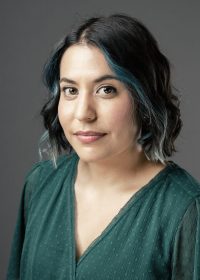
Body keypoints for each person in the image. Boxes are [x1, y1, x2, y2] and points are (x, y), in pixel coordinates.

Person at [7, 13, 200, 279]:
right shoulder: (40, 184)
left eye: (106, 90)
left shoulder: (184, 209)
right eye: (70, 90)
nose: (84, 113)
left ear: (143, 99)